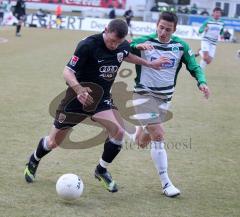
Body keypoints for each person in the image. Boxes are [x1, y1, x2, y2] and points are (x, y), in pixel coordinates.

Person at [24, 19, 167, 193]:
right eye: (111, 40)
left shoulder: (122, 45)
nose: (114, 45)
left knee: (118, 131)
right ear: (105, 30)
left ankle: (101, 170)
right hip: (75, 100)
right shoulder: (87, 45)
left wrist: (149, 64)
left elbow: (126, 54)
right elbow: (67, 71)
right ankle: (34, 160)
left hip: (101, 100)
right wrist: (78, 89)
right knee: (54, 142)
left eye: (118, 42)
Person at [129, 12, 210, 197]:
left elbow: (194, 66)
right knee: (158, 133)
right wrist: (136, 45)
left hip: (165, 99)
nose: (163, 32)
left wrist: (202, 82)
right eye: (161, 27)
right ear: (156, 24)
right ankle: (166, 184)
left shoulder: (180, 46)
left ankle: (135, 132)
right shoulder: (145, 41)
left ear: (175, 29)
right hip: (143, 95)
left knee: (142, 142)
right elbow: (125, 48)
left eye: (168, 29)